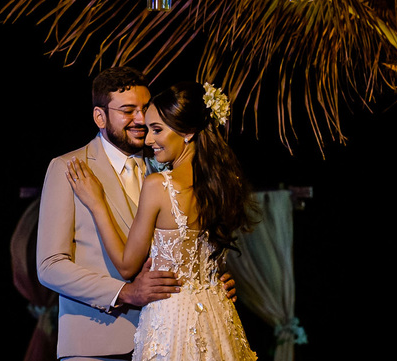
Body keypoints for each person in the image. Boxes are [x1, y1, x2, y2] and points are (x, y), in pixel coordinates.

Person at [66, 81, 257, 361]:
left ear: (188, 132)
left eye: (157, 130)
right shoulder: (224, 185)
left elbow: (127, 264)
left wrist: (96, 203)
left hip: (173, 320)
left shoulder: (159, 185)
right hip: (218, 316)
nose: (148, 140)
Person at [37, 67, 183, 361]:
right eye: (128, 110)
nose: (141, 120)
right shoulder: (68, 167)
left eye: (145, 109)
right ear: (100, 117)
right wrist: (124, 292)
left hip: (165, 339)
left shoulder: (163, 168)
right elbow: (50, 266)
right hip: (95, 344)